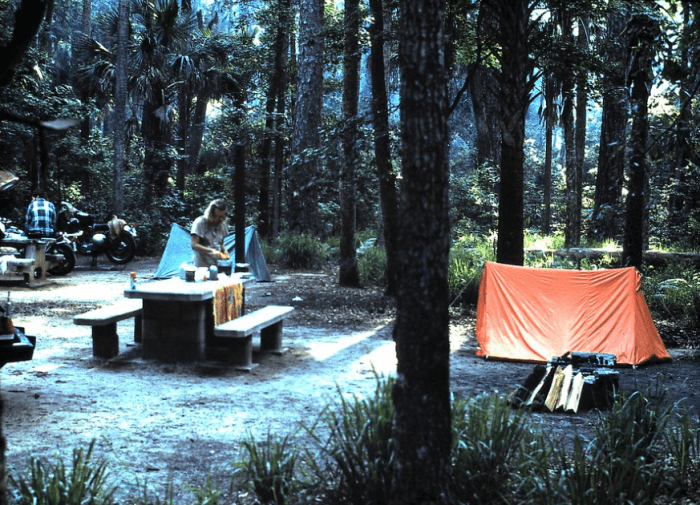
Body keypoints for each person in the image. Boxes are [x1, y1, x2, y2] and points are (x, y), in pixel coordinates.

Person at [190, 198, 230, 267]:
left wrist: (224, 251)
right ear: (211, 214)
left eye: (222, 217)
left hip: (216, 265)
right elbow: (194, 245)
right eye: (218, 216)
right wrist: (211, 251)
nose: (220, 219)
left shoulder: (222, 224)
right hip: (201, 266)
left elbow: (221, 243)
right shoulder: (200, 223)